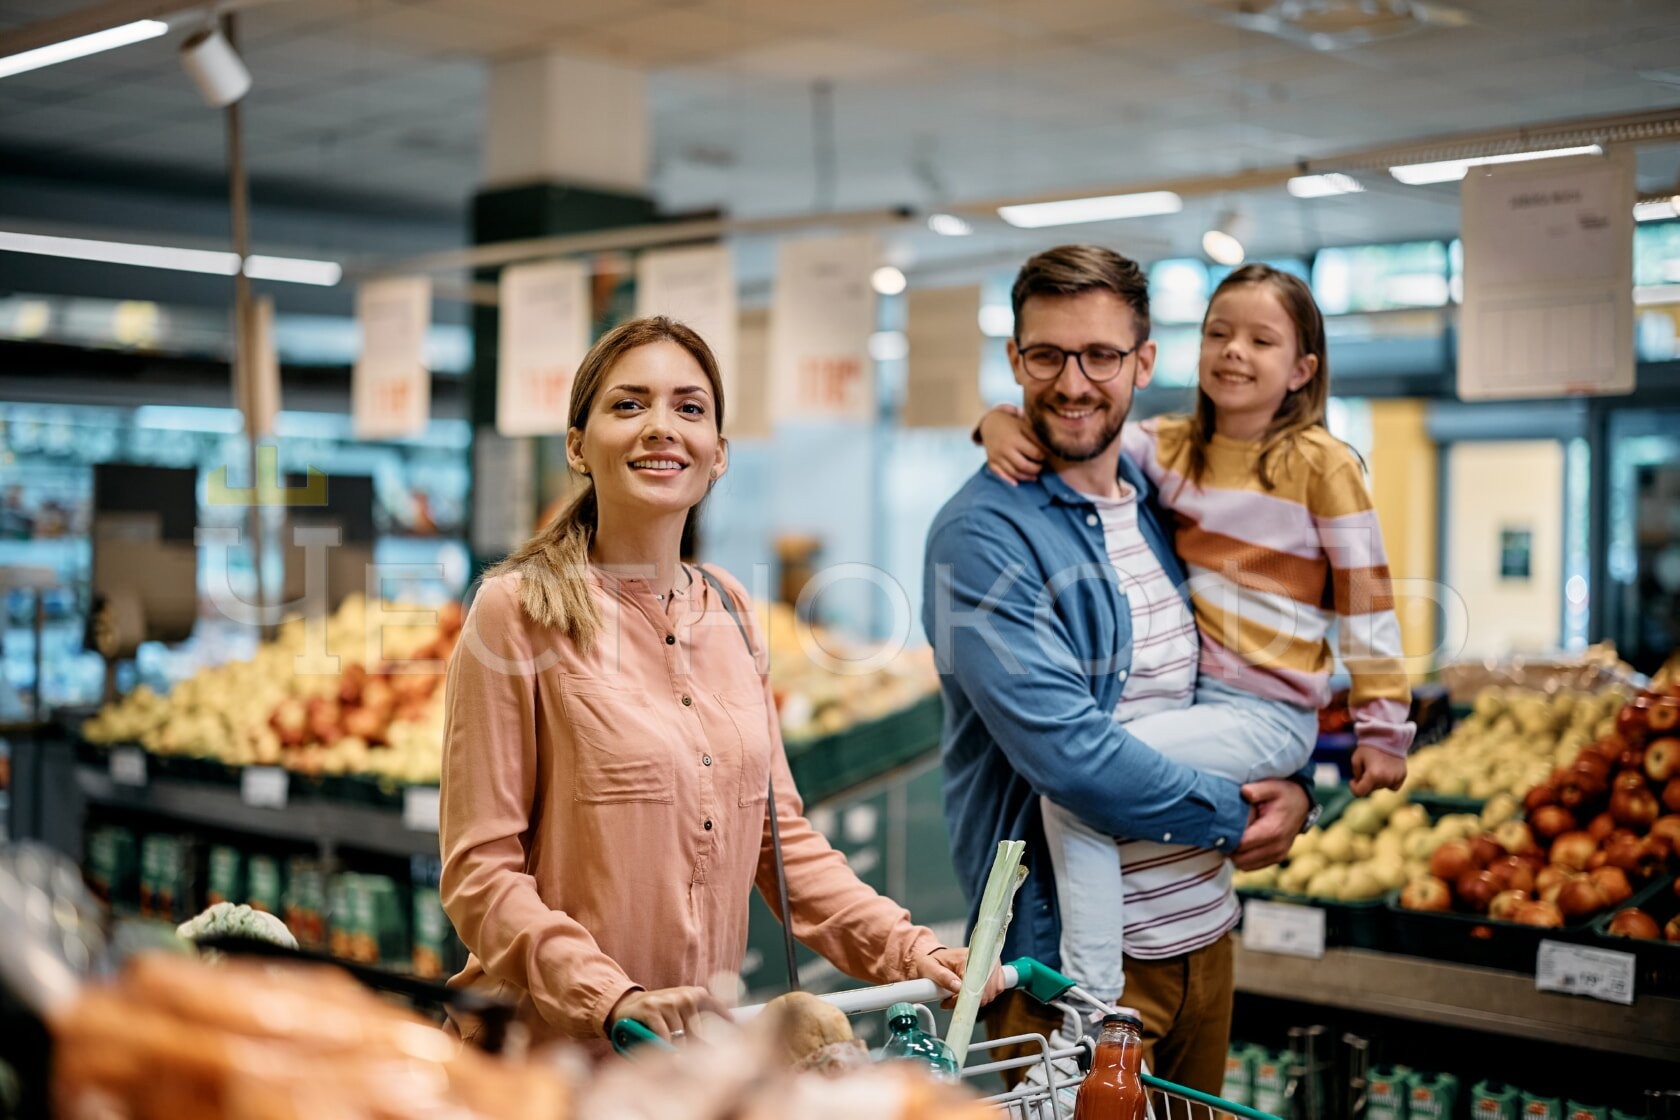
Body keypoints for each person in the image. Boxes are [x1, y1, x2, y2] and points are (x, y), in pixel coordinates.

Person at [441, 315, 992, 1051]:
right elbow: (480, 871)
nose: (661, 427)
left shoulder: (732, 610)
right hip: (550, 1062)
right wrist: (608, 995)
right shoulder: (516, 612)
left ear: (719, 454)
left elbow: (781, 844)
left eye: (689, 408)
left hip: (694, 1060)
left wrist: (909, 948)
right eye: (628, 405)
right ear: (578, 445)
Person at [923, 247, 1315, 1093]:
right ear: (1015, 360)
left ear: (1144, 361)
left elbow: (1254, 664)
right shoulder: (982, 536)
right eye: (1047, 355)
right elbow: (1071, 758)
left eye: (1100, 355)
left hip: (1206, 938)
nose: (1073, 383)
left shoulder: (1163, 490)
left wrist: (1303, 786)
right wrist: (1234, 815)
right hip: (1069, 974)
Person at [974, 261, 1414, 1017]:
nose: (1234, 351)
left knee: (1081, 790)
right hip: (1210, 704)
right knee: (1092, 775)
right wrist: (994, 421)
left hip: (1270, 714)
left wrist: (1384, 730)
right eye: (1218, 332)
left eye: (1261, 340)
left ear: (1302, 370)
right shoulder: (1169, 449)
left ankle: (1092, 999)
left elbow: (1367, 603)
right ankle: (1099, 988)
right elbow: (1079, 427)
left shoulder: (1324, 467)